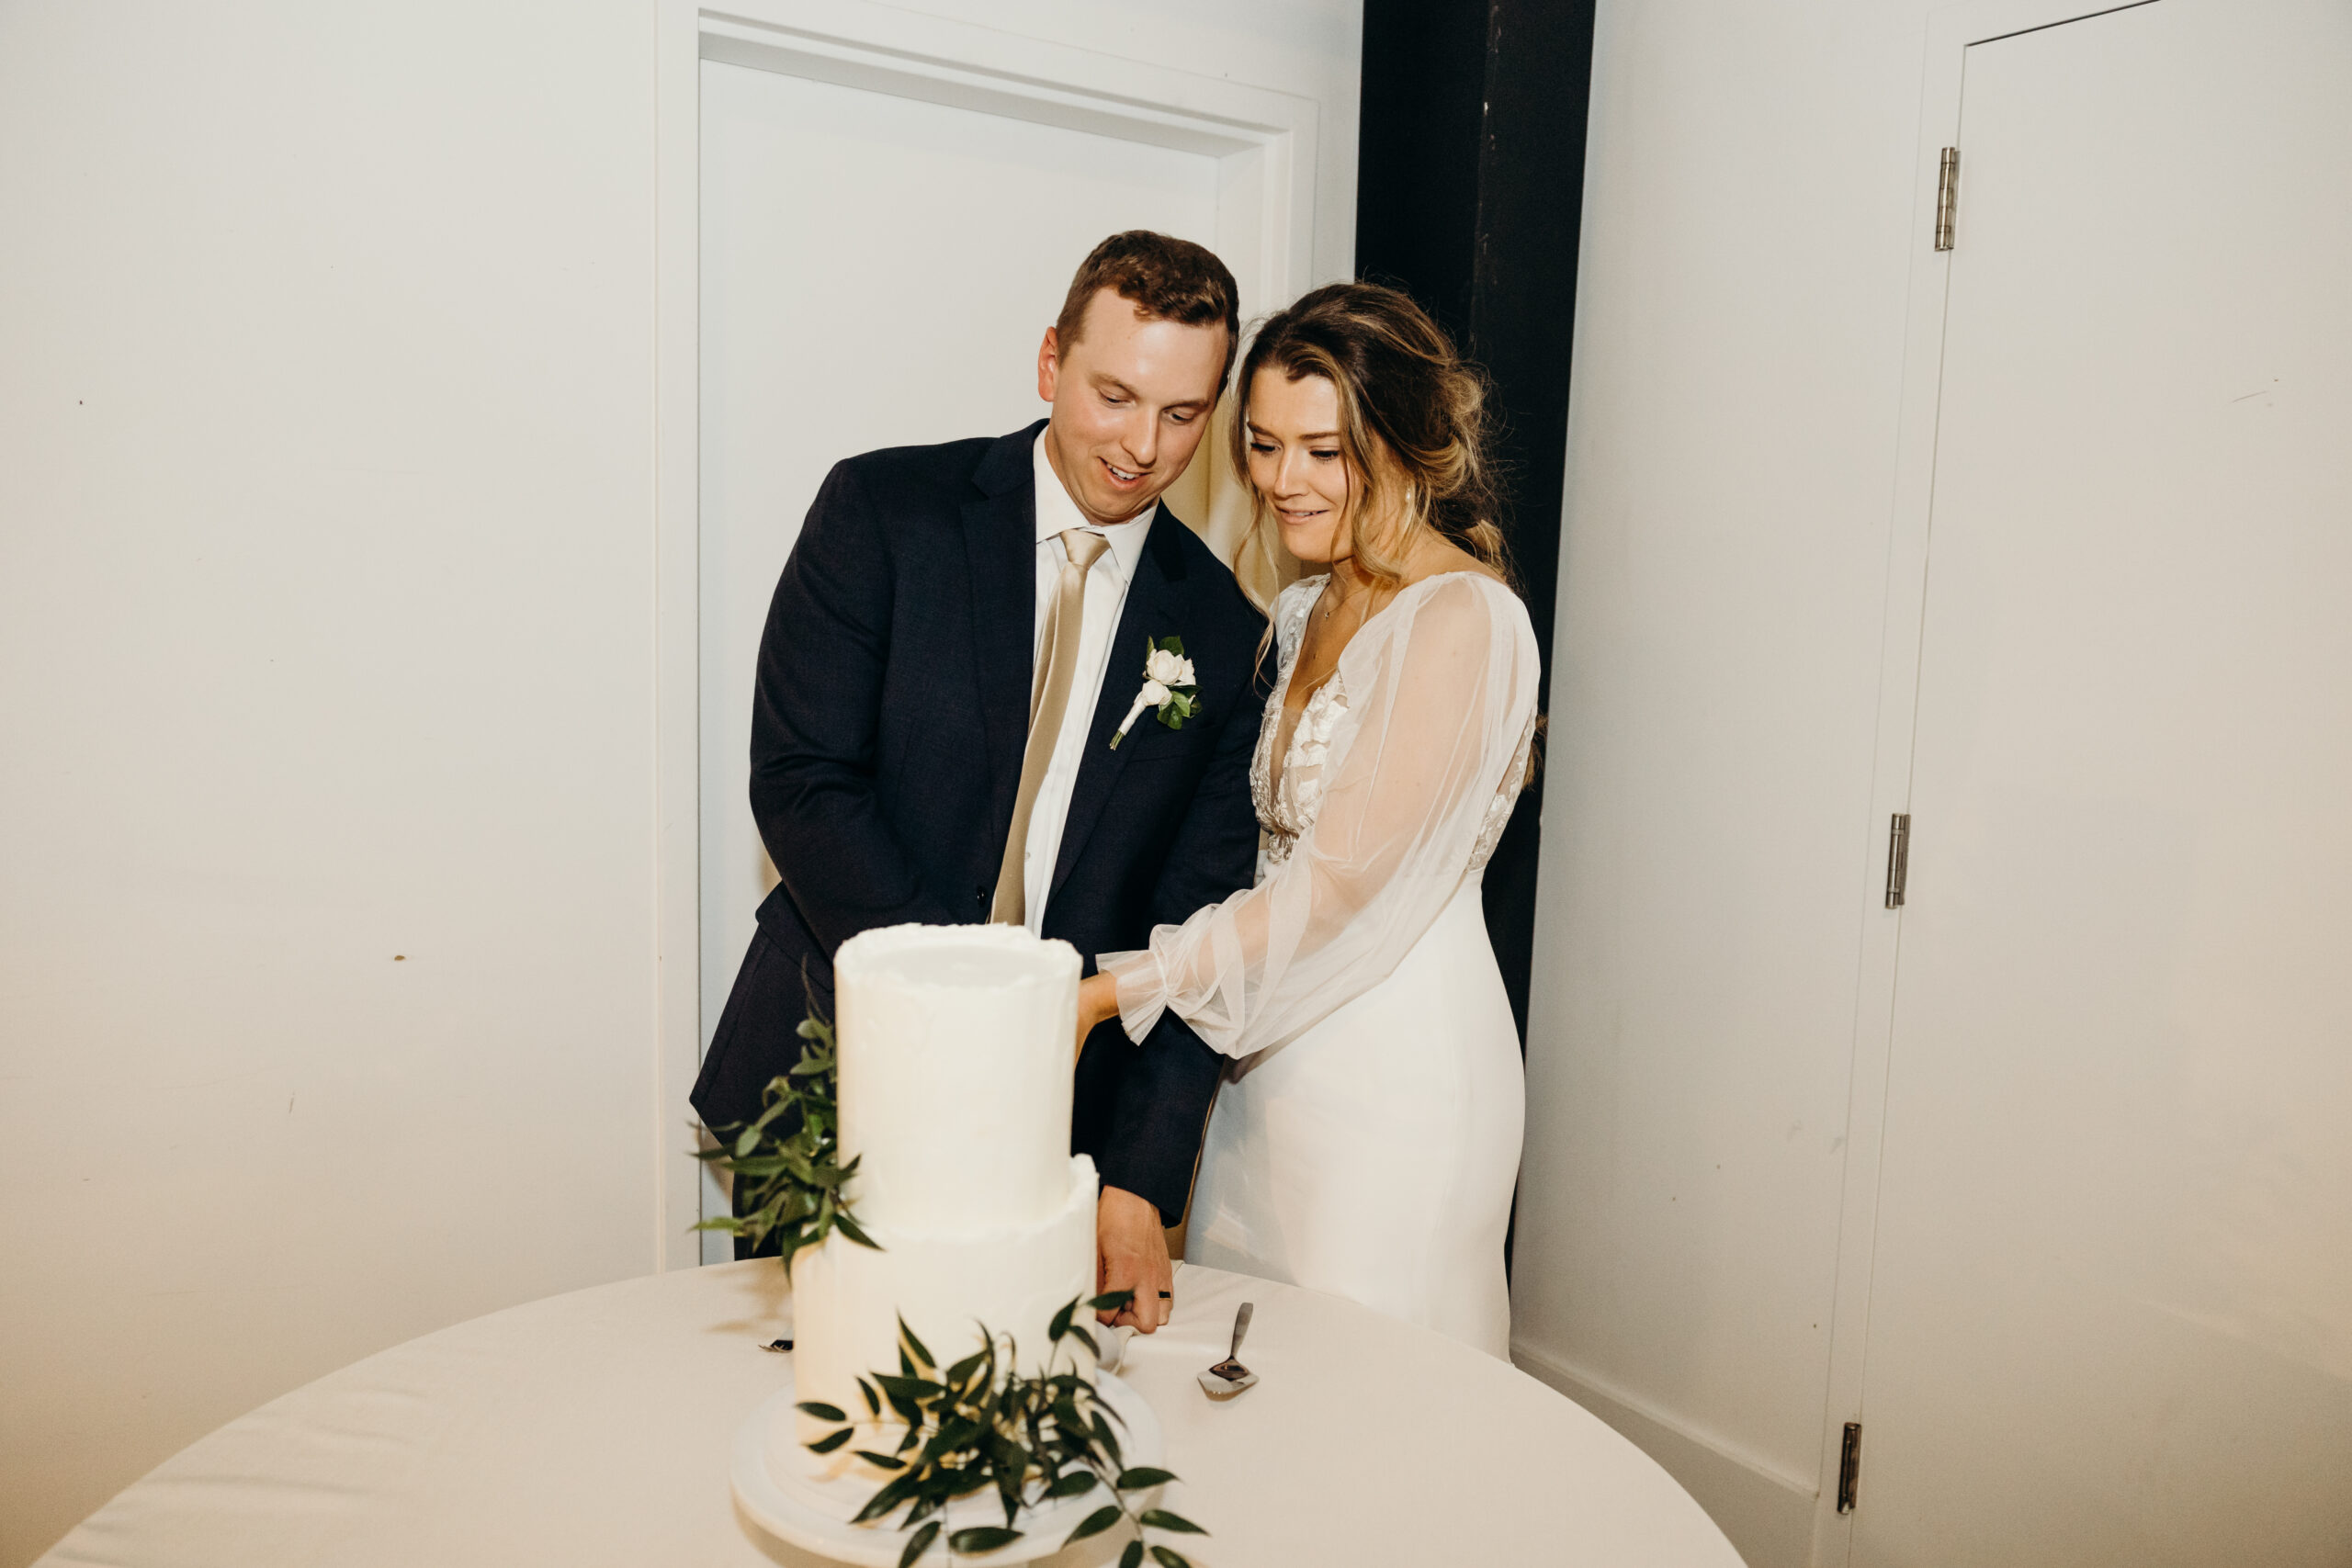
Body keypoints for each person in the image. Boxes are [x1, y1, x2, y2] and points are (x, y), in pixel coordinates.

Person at [692, 232, 1268, 1336]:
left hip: (1054, 1127)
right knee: (817, 1382)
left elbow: (1195, 930)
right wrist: (967, 1007)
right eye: (1114, 396)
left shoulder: (1223, 632)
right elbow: (804, 782)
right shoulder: (883, 509)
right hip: (833, 1071)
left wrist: (1139, 1181)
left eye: (1182, 414)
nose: (1142, 446)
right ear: (1050, 361)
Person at [1080, 281, 1541, 1357]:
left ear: (1407, 445)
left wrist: (1106, 993)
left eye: (1324, 452)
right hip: (1264, 1066)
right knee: (1250, 1373)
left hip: (1396, 1073)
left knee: (1372, 1375)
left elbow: (1334, 886)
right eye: (1261, 444)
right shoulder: (1299, 609)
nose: (1282, 480)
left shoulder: (1464, 617)